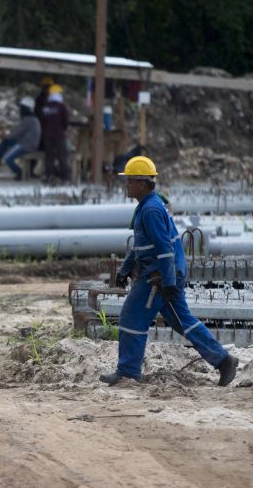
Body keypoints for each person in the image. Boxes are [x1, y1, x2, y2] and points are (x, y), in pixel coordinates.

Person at [99, 156, 239, 387]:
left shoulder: (151, 210)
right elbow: (141, 244)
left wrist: (168, 280)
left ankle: (128, 371)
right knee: (182, 321)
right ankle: (224, 360)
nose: (126, 185)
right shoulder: (147, 206)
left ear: (143, 184)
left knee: (132, 317)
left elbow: (164, 248)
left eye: (130, 180)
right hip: (162, 274)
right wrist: (125, 269)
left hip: (157, 277)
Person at [0, 97, 40, 180]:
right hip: (29, 142)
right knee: (6, 141)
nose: (20, 110)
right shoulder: (33, 118)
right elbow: (19, 132)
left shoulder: (28, 119)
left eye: (22, 107)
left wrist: (6, 136)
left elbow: (17, 133)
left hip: (26, 145)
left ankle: (20, 172)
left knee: (7, 159)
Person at [37, 84, 71, 182]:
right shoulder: (61, 107)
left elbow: (42, 121)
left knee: (49, 157)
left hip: (47, 135)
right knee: (62, 156)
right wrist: (63, 129)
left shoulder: (45, 107)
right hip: (59, 135)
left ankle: (49, 175)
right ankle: (65, 177)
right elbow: (65, 122)